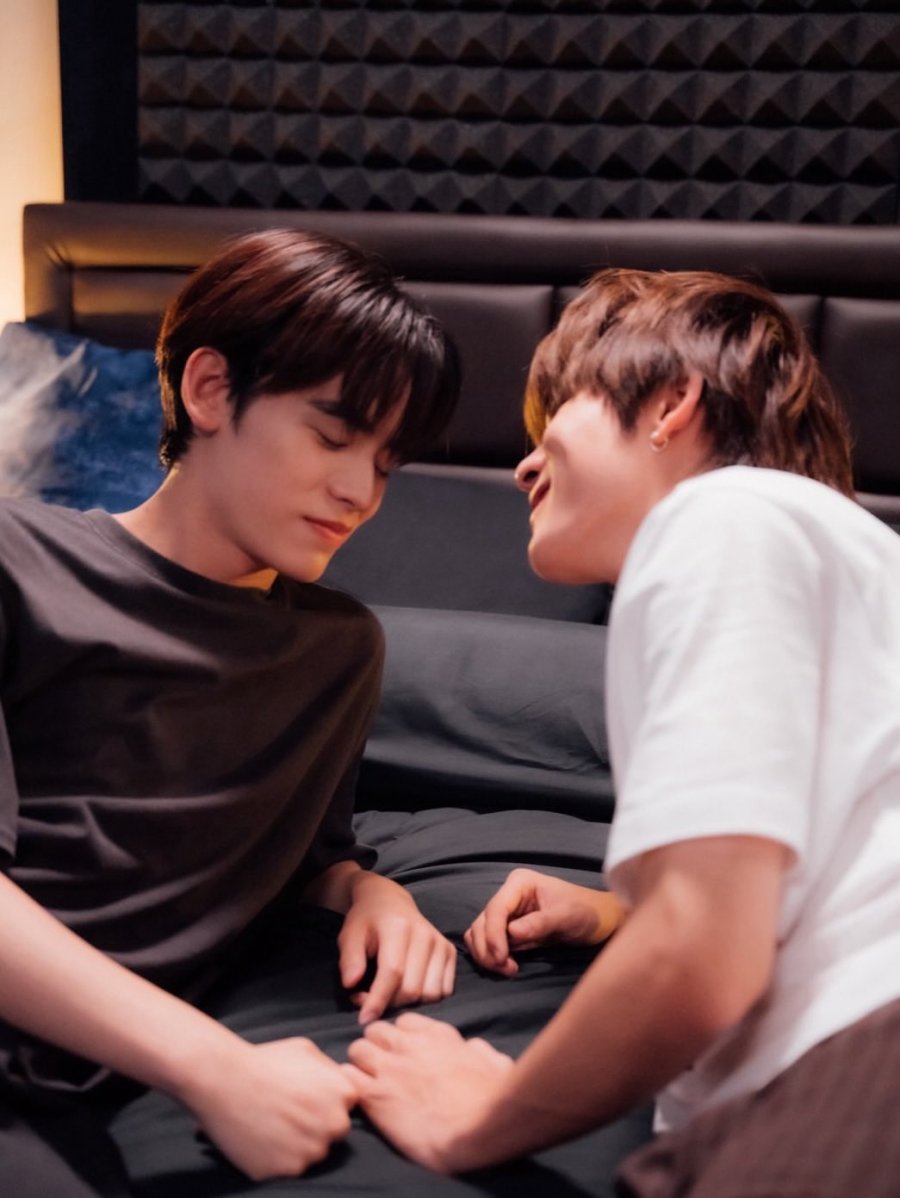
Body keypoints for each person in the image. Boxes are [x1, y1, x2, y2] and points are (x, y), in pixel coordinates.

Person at [346, 268, 900, 1197]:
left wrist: (479, 1117)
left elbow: (700, 952)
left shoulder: (722, 514)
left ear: (672, 403)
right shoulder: (835, 555)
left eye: (554, 418)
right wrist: (617, 912)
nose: (525, 466)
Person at [0, 227, 461, 1193]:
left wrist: (370, 892)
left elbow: (301, 858)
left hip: (88, 1095)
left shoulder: (338, 650)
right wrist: (212, 1067)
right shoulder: (18, 563)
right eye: (333, 437)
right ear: (209, 389)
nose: (359, 492)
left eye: (386, 464)